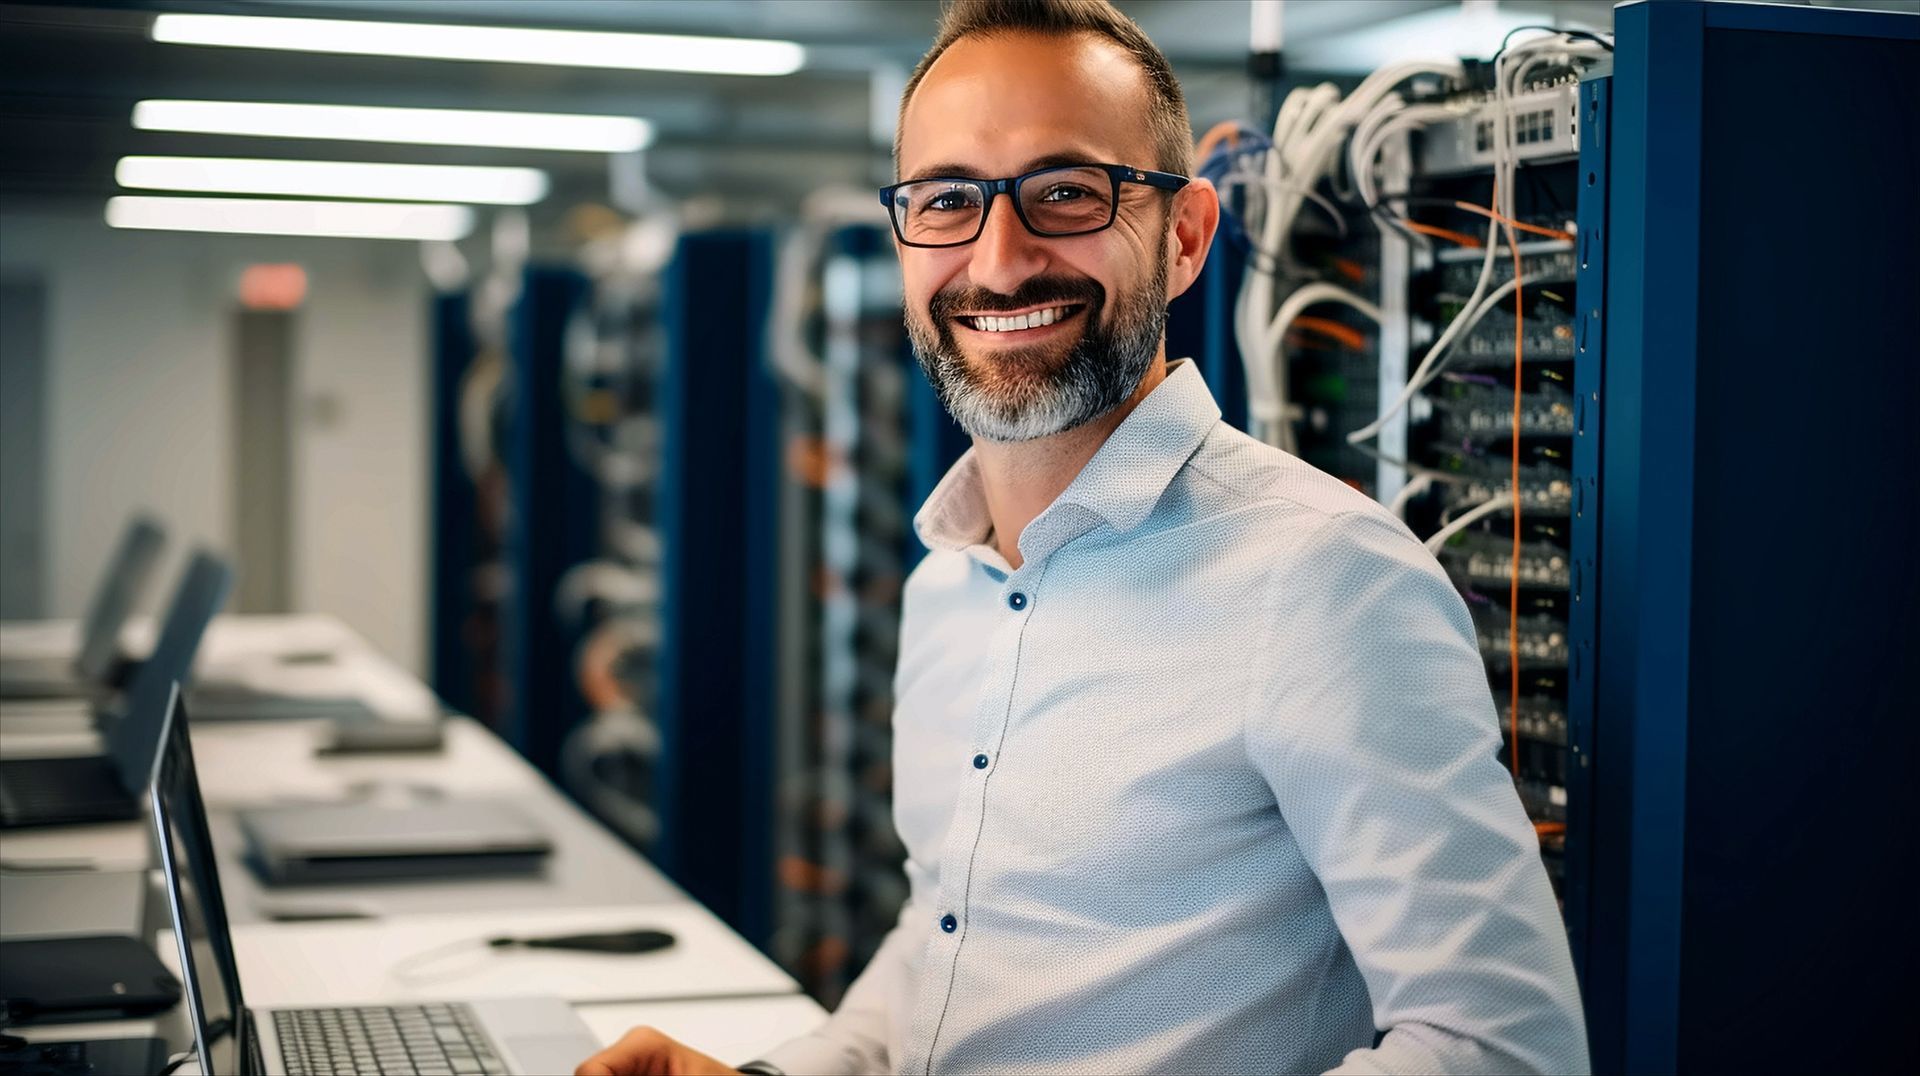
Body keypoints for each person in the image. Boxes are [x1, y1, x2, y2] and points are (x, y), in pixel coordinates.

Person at [579, 1, 1587, 1073]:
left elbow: (1502, 1045)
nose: (1000, 261)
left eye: (1066, 193)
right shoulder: (948, 579)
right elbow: (947, 935)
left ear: (1186, 235)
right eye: (948, 200)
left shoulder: (1322, 576)